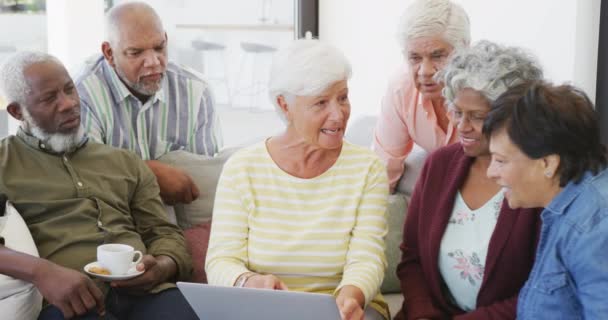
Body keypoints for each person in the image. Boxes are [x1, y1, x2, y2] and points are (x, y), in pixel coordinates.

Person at [0, 51, 197, 320]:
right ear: (17, 111)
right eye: (49, 98)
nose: (68, 103)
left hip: (147, 293)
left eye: (70, 89)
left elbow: (163, 232)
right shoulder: (4, 164)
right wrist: (42, 272)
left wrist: (163, 265)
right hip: (69, 305)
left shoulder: (124, 161)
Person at [205, 39, 389, 320]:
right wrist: (248, 282)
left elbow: (367, 258)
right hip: (266, 311)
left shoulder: (368, 169)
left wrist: (351, 295)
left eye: (343, 97)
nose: (338, 114)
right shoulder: (242, 169)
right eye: (321, 103)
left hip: (343, 310)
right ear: (284, 105)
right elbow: (221, 261)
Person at [395, 41, 544, 320]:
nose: (462, 126)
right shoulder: (439, 165)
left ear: (515, 117)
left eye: (477, 117)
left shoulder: (537, 181)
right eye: (457, 112)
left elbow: (543, 290)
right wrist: (423, 315)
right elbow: (412, 259)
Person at [75, 2, 221, 205]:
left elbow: (203, 178)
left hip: (180, 213)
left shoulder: (196, 91)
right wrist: (147, 173)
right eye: (136, 53)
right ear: (109, 53)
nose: (153, 61)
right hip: (115, 214)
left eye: (159, 47)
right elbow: (87, 177)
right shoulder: (83, 95)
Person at [485, 81, 608, 319]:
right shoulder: (571, 203)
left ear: (548, 164)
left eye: (500, 161)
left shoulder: (595, 229)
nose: (490, 172)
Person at [373, 0, 470, 192]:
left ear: (464, 50)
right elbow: (384, 170)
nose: (425, 71)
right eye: (415, 58)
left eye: (438, 56)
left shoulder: (488, 91)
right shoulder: (401, 88)